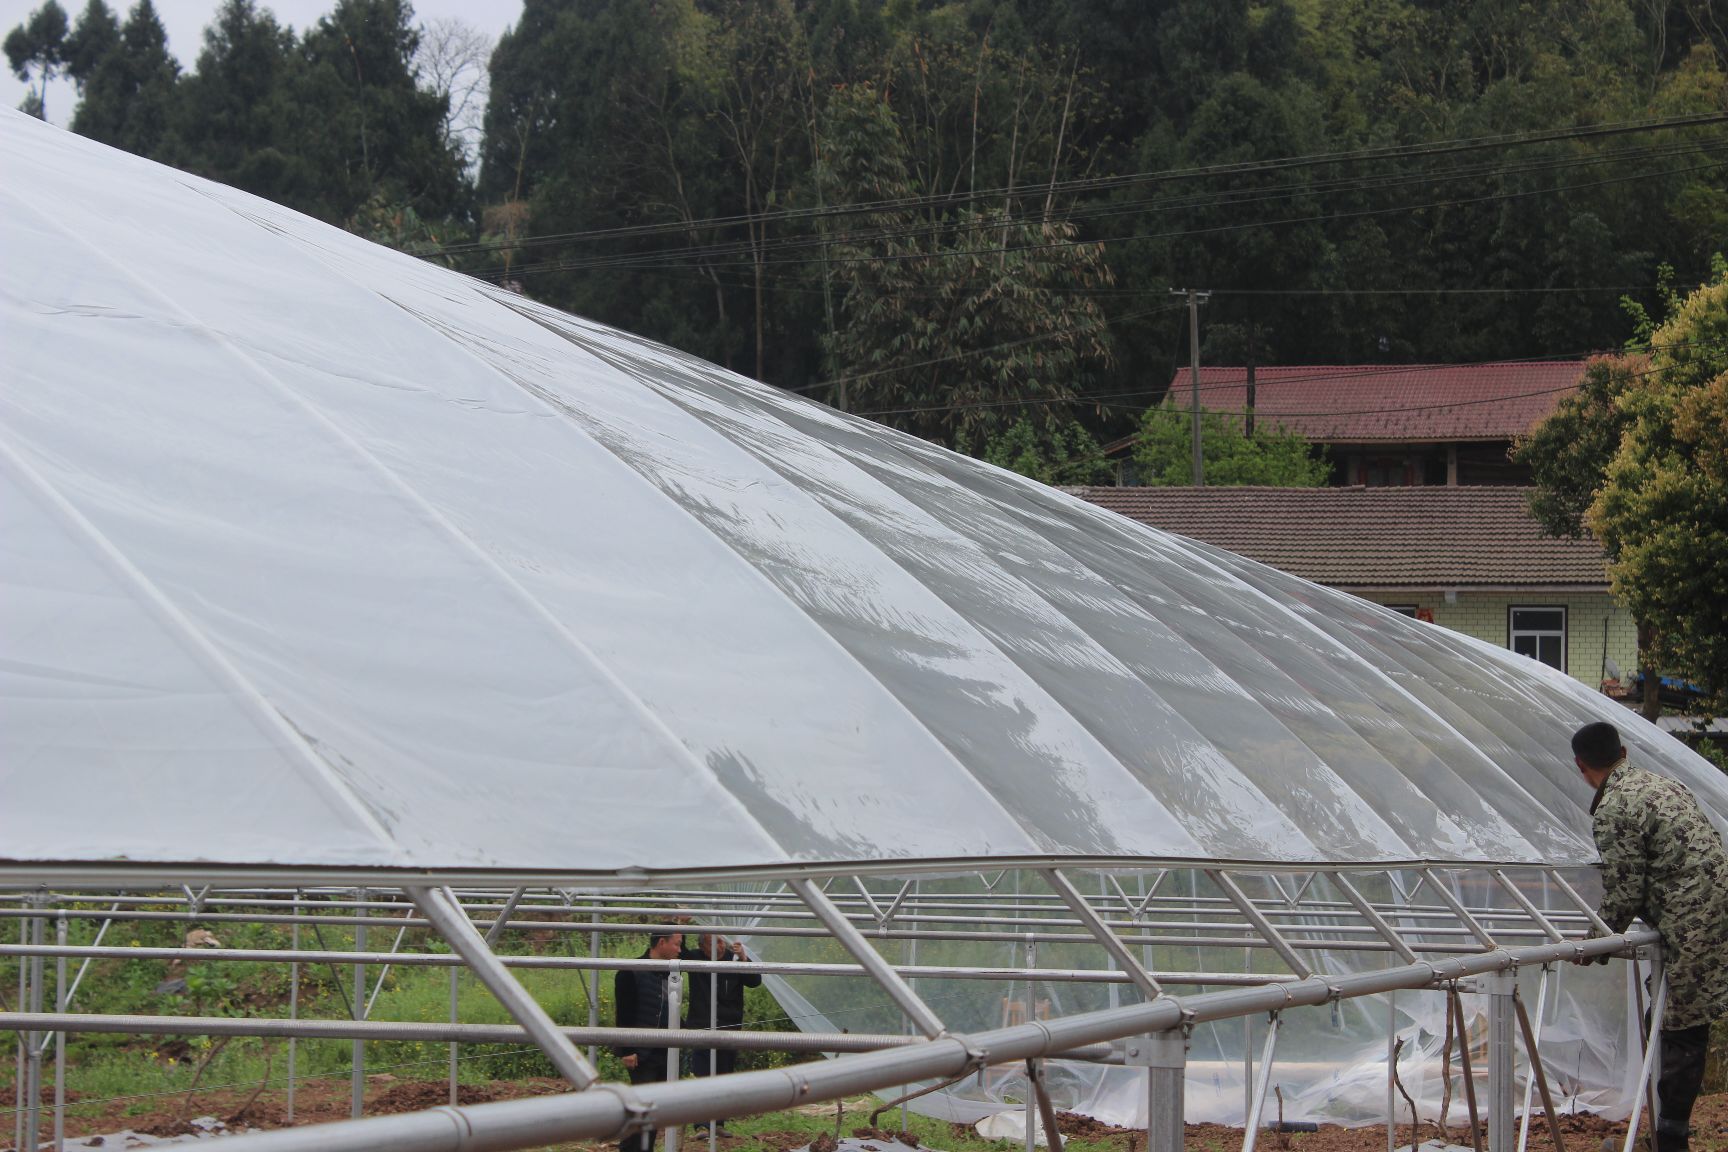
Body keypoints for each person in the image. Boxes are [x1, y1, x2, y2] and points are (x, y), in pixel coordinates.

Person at [1571, 720, 1728, 1152]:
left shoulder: (1615, 807)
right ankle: (1665, 1133)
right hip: (1709, 904)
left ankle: (1670, 1140)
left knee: (1683, 1022)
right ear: (1622, 750)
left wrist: (1594, 943)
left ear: (1581, 766)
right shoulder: (1660, 784)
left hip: (1693, 913)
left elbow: (1625, 890)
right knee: (1669, 1012)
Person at [682, 931, 762, 1135]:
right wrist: (682, 925)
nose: (718, 947)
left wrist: (744, 958)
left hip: (729, 1026)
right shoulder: (695, 958)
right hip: (702, 1026)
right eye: (711, 943)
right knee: (703, 1074)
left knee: (724, 1074)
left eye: (720, 942)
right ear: (702, 947)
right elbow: (678, 952)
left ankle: (718, 1123)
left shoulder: (733, 959)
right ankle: (701, 1124)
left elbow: (754, 981)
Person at [613, 930, 686, 1152]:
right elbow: (623, 1014)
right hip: (642, 1053)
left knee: (656, 1108)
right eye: (676, 944)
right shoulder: (630, 972)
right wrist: (627, 1049)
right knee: (641, 1107)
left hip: (665, 1051)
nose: (680, 950)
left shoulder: (671, 971)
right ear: (661, 943)